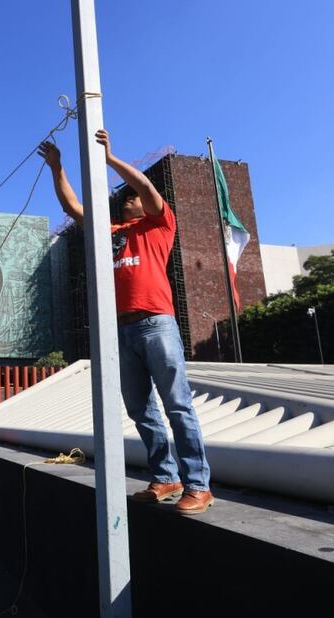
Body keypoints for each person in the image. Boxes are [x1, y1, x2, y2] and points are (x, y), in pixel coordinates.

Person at [38, 129, 213, 515]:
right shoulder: (111, 233)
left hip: (157, 323)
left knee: (177, 405)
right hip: (122, 328)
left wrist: (110, 159)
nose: (129, 200)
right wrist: (57, 167)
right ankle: (166, 476)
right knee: (141, 409)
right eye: (127, 198)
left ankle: (199, 484)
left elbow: (146, 185)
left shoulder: (160, 225)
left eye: (131, 197)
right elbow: (73, 208)